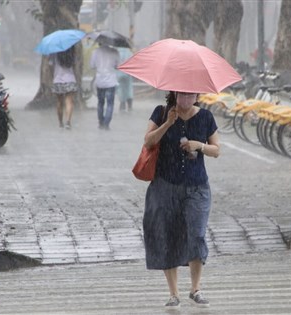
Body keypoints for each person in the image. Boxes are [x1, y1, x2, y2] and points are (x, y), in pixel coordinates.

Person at [142, 91, 220, 309]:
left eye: (190, 96)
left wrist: (199, 145)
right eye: (181, 95)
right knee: (168, 236)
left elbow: (216, 150)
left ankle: (195, 289)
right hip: (165, 186)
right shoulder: (161, 112)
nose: (185, 100)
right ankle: (173, 293)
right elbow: (148, 141)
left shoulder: (206, 117)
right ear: (174, 95)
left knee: (196, 234)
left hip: (197, 187)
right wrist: (167, 123)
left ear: (196, 97)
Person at [90, 41, 120, 130]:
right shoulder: (114, 51)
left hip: (100, 81)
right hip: (111, 81)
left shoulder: (95, 52)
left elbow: (92, 65)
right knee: (110, 104)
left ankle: (101, 122)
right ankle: (106, 124)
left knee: (100, 103)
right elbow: (118, 66)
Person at [50, 46, 78, 130]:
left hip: (57, 79)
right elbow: (75, 65)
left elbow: (51, 66)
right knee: (69, 101)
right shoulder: (72, 53)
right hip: (70, 79)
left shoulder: (54, 53)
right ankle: (68, 122)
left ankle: (60, 122)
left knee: (59, 102)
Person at [116, 47, 133, 112]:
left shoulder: (117, 52)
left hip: (119, 74)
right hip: (128, 74)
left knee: (121, 89)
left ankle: (122, 105)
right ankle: (129, 105)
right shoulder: (129, 53)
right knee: (129, 89)